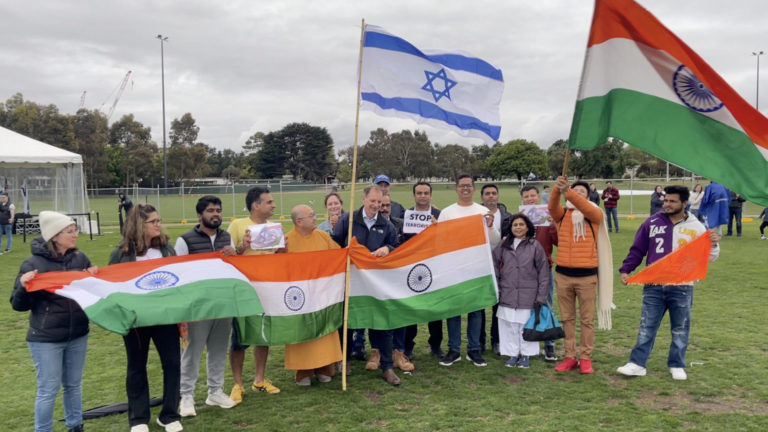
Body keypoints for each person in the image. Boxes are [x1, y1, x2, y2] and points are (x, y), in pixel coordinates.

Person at [617, 185, 720, 381]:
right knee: (647, 326)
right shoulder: (652, 222)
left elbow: (709, 257)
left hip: (682, 286)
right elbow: (638, 249)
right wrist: (626, 269)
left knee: (680, 328)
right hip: (654, 284)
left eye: (672, 201)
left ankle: (677, 364)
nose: (667, 204)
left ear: (684, 203)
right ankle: (637, 364)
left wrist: (713, 244)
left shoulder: (696, 226)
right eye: (665, 200)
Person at [12, 211, 96, 432]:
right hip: (46, 339)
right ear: (55, 235)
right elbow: (18, 305)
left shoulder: (80, 259)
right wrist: (23, 285)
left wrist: (93, 276)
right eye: (70, 231)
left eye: (74, 230)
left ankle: (75, 426)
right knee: (49, 389)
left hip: (78, 333)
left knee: (73, 385)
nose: (75, 235)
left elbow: (91, 292)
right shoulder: (32, 264)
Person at [108, 204, 182, 432]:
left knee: (172, 364)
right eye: (154, 221)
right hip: (136, 321)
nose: (159, 225)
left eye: (159, 220)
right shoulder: (121, 253)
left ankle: (169, 415)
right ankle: (139, 419)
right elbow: (113, 286)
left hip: (166, 317)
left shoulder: (167, 249)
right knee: (136, 366)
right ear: (140, 225)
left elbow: (179, 281)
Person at [332, 185, 401, 385]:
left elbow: (396, 246)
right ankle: (343, 361)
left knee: (383, 323)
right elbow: (334, 242)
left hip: (375, 283)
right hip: (350, 281)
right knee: (346, 321)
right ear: (363, 199)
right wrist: (344, 252)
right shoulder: (349, 219)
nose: (376, 206)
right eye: (372, 201)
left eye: (379, 202)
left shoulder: (385, 224)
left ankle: (387, 367)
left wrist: (387, 249)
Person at [175, 196, 237, 417]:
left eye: (218, 210)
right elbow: (178, 273)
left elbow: (232, 268)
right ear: (200, 215)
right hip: (197, 306)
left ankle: (215, 391)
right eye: (211, 210)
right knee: (193, 351)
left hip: (222, 303)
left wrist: (235, 253)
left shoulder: (226, 237)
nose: (216, 214)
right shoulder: (185, 240)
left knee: (219, 349)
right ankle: (186, 396)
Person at [549, 176, 612, 375]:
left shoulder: (594, 214)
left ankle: (585, 358)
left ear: (588, 195)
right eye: (574, 190)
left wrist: (569, 191)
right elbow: (552, 207)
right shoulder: (562, 215)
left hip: (586, 277)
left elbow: (584, 206)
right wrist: (557, 189)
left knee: (586, 320)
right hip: (563, 276)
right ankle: (570, 356)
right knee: (567, 319)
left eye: (581, 191)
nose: (576, 193)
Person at [437, 174, 500, 368]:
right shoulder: (447, 213)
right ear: (456, 189)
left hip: (477, 269)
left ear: (474, 189)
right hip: (454, 269)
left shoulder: (483, 211)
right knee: (453, 311)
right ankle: (454, 350)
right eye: (462, 186)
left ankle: (474, 350)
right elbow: (439, 240)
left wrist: (489, 227)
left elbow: (495, 241)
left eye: (469, 186)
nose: (465, 189)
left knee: (476, 310)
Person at [227, 186, 282, 402]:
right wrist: (243, 247)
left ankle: (260, 378)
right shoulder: (237, 225)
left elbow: (278, 257)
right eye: (269, 202)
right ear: (255, 205)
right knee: (239, 337)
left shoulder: (273, 228)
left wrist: (282, 249)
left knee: (263, 334)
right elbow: (228, 256)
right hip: (243, 289)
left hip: (267, 288)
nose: (273, 205)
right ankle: (237, 384)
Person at [284, 204, 344, 386]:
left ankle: (325, 369)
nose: (315, 217)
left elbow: (338, 255)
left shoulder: (323, 236)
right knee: (302, 333)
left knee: (324, 331)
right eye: (311, 215)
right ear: (299, 221)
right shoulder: (286, 240)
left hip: (322, 294)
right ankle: (303, 372)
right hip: (299, 297)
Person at [492, 214, 549, 369]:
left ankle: (525, 355)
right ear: (510, 228)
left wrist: (541, 296)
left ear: (527, 227)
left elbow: (543, 273)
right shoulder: (503, 246)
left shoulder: (535, 246)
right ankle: (512, 354)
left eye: (521, 224)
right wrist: (496, 287)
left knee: (525, 325)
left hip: (528, 294)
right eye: (515, 225)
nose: (518, 227)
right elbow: (494, 266)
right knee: (509, 325)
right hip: (508, 292)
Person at [400, 182, 443, 358]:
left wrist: (438, 228)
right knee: (412, 309)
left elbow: (447, 239)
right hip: (413, 268)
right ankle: (408, 346)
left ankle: (435, 345)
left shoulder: (440, 215)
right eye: (419, 193)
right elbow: (403, 240)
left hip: (435, 267)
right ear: (414, 195)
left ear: (431, 195)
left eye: (426, 193)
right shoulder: (407, 215)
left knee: (435, 309)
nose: (423, 196)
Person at [520, 185, 559, 362]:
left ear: (538, 197)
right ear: (522, 199)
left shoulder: (546, 219)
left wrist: (554, 224)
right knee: (524, 308)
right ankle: (526, 343)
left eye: (533, 195)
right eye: (526, 196)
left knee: (546, 306)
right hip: (524, 272)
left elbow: (558, 241)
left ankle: (549, 345)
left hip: (544, 271)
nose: (530, 199)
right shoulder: (520, 220)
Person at [379, 194, 414, 373]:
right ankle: (376, 352)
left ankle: (398, 352)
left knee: (400, 314)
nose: (384, 208)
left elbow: (413, 243)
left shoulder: (402, 224)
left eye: (387, 205)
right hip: (378, 278)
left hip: (400, 276)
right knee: (378, 314)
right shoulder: (374, 224)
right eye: (381, 205)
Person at [480, 183, 511, 355]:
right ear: (482, 197)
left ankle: (497, 341)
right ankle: (480, 342)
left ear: (498, 196)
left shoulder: (508, 217)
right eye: (487, 193)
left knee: (498, 307)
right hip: (480, 266)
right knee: (479, 306)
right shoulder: (475, 214)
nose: (491, 196)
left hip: (502, 267)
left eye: (493, 193)